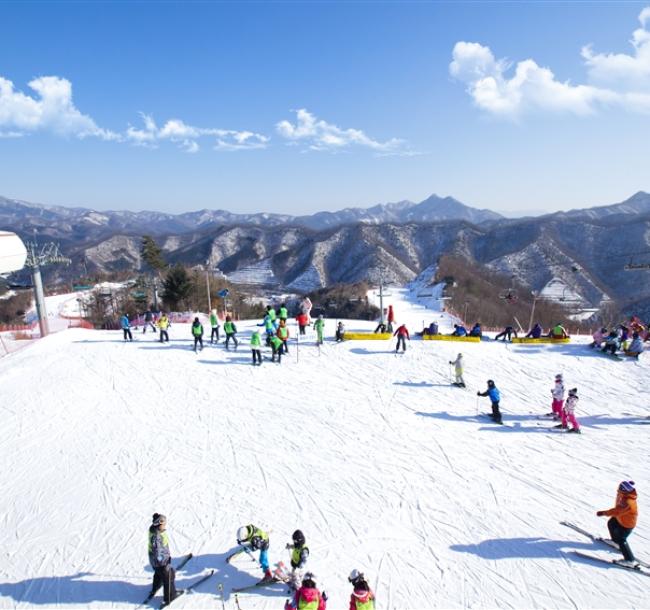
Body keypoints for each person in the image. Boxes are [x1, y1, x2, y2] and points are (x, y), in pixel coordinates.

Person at [596, 480, 638, 566]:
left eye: (620, 487)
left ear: (624, 489)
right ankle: (616, 542)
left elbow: (616, 511)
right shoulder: (624, 493)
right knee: (611, 523)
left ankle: (630, 560)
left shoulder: (628, 502)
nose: (618, 489)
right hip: (620, 518)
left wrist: (603, 513)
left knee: (621, 539)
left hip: (627, 524)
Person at [148, 513, 179, 605]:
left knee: (158, 574)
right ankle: (170, 596)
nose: (165, 525)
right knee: (169, 575)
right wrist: (164, 563)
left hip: (155, 562)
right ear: (159, 523)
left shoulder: (154, 530)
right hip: (160, 562)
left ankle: (156, 586)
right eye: (164, 523)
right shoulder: (157, 536)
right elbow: (157, 551)